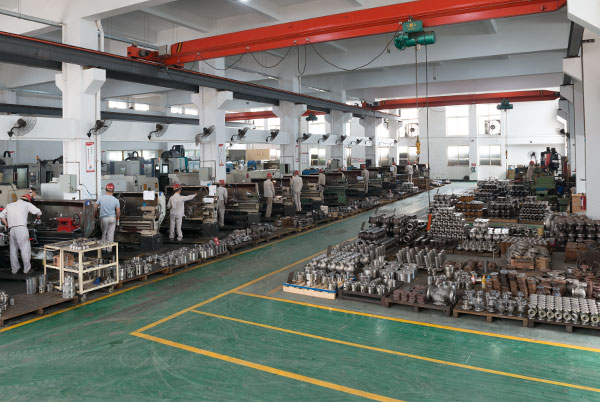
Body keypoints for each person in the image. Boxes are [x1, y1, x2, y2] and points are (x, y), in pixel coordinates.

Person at [0, 191, 42, 274]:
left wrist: (7, 224)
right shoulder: (26, 204)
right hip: (21, 229)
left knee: (13, 250)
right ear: (28, 199)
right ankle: (27, 269)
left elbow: (1, 216)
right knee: (25, 249)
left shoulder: (9, 205)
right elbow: (39, 212)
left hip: (12, 229)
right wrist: (38, 218)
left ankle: (15, 270)